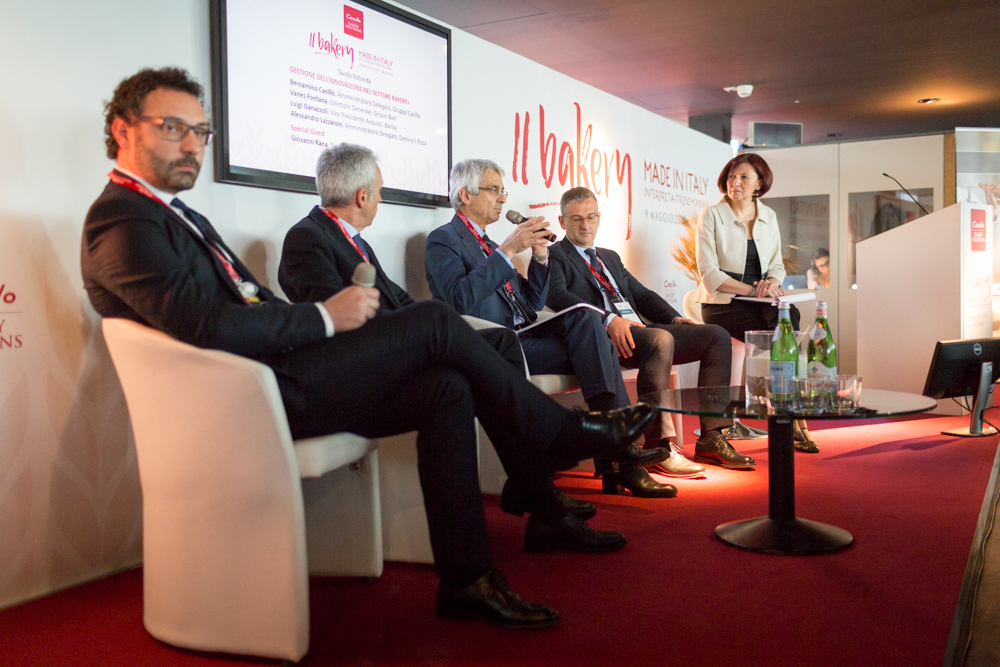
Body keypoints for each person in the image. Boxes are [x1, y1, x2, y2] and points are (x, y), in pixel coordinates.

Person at [81, 67, 662, 630]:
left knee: (445, 388)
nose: (192, 145)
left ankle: (468, 579)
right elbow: (206, 326)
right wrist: (322, 316)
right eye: (173, 128)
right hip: (254, 397)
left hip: (282, 376)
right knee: (434, 319)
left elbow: (250, 302)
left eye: (201, 131)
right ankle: (556, 434)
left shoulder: (172, 215)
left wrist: (325, 320)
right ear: (123, 130)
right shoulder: (121, 221)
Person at [278, 142, 594, 519]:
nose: (381, 198)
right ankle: (554, 436)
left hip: (398, 348)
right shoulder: (308, 237)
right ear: (362, 196)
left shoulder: (352, 240)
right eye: (379, 191)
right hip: (357, 367)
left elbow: (399, 303)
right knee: (440, 321)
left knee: (499, 340)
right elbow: (339, 315)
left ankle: (536, 491)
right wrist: (417, 328)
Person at [425, 160, 673, 497]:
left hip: (527, 333)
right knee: (597, 341)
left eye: (503, 191)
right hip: (496, 345)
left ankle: (614, 447)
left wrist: (541, 258)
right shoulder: (443, 240)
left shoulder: (488, 244)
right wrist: (508, 250)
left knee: (588, 317)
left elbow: (530, 303)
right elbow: (459, 300)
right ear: (466, 195)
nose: (502, 198)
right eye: (494, 190)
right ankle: (619, 454)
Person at [547, 187, 754, 475]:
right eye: (576, 218)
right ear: (562, 221)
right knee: (660, 340)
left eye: (591, 217)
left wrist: (674, 318)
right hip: (604, 337)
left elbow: (641, 294)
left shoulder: (609, 256)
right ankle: (659, 446)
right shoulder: (554, 255)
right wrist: (608, 319)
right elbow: (557, 296)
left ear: (599, 217)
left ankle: (712, 437)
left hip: (640, 329)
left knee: (715, 336)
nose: (585, 225)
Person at [695, 153, 818, 453]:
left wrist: (772, 284)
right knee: (779, 329)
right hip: (723, 302)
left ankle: (787, 412)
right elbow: (709, 274)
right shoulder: (712, 215)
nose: (735, 183)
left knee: (789, 316)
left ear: (759, 184)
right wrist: (754, 290)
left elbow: (776, 265)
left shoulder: (768, 216)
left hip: (759, 298)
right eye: (731, 177)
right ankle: (792, 418)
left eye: (743, 178)